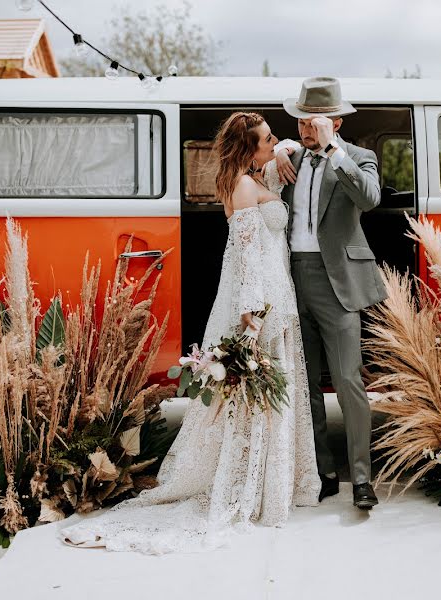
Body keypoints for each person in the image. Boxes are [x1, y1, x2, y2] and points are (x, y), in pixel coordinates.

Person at [60, 112, 320, 554]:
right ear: (248, 149)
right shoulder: (241, 186)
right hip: (264, 300)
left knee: (267, 399)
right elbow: (248, 259)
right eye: (266, 139)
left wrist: (281, 150)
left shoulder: (251, 179)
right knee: (257, 401)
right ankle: (257, 489)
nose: (274, 141)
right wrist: (252, 318)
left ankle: (274, 482)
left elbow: (277, 174)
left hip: (279, 292)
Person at [276, 77, 388, 510]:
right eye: (300, 120)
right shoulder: (290, 158)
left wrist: (336, 153)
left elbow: (370, 198)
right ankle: (320, 471)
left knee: (347, 380)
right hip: (290, 278)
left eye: (314, 121)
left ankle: (361, 478)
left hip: (337, 280)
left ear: (336, 122)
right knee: (304, 382)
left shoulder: (358, 157)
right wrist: (283, 150)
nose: (305, 128)